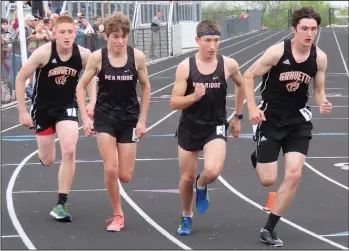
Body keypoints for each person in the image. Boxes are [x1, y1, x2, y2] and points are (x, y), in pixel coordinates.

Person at [243, 6, 332, 247]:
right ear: (294, 29)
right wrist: (252, 109)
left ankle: (269, 228)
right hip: (270, 119)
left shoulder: (319, 57)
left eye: (313, 29)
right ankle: (259, 156)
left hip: (298, 122)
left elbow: (318, 89)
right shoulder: (277, 52)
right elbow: (248, 75)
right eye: (304, 28)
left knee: (294, 174)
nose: (309, 33)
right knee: (268, 181)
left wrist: (323, 102)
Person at [16, 15, 96, 222]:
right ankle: (43, 155)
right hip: (42, 109)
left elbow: (90, 77)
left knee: (69, 150)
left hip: (67, 106)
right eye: (62, 32)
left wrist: (92, 100)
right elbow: (20, 77)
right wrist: (23, 111)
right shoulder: (43, 53)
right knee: (49, 159)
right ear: (55, 33)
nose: (67, 36)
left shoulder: (84, 55)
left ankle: (61, 203)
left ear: (75, 33)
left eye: (71, 32)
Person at [76, 12, 151, 232]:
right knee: (110, 169)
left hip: (129, 118)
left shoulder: (136, 57)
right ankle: (118, 214)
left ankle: (117, 173)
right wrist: (84, 115)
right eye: (115, 36)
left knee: (124, 176)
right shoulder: (98, 58)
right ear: (106, 36)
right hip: (105, 117)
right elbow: (81, 86)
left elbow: (146, 87)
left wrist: (143, 120)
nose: (119, 41)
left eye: (123, 36)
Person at [169, 20, 245, 236]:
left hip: (216, 125)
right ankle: (186, 215)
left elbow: (241, 84)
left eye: (216, 40)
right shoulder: (186, 67)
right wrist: (193, 96)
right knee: (186, 177)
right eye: (207, 41)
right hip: (190, 126)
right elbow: (174, 102)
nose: (212, 46)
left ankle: (202, 186)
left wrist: (237, 116)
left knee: (211, 171)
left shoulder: (228, 64)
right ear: (197, 41)